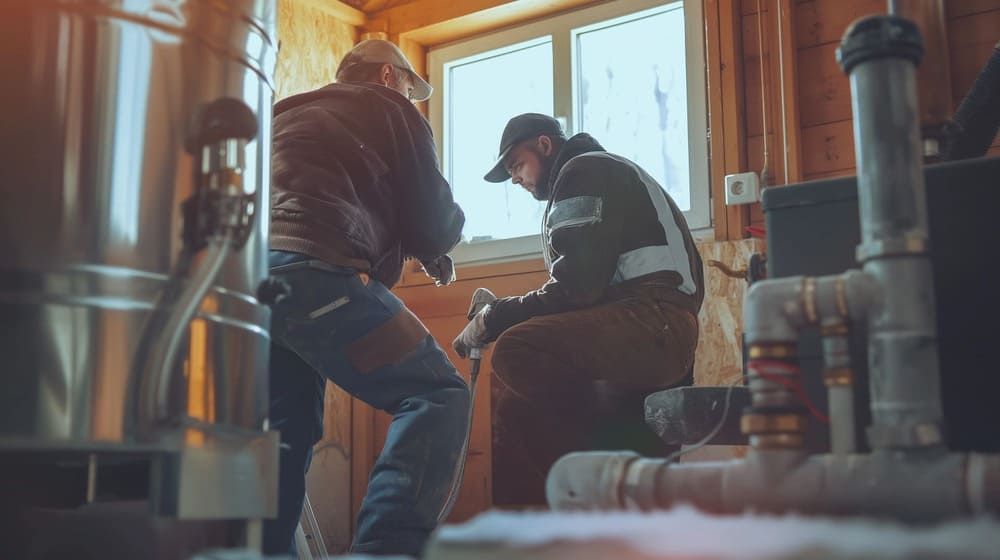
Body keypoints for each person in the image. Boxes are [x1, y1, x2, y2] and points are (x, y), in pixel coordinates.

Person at [264, 39, 469, 556]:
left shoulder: (285, 112)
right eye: (407, 83)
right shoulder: (389, 107)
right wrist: (439, 245)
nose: (410, 96)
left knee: (283, 431)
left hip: (250, 283)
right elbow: (432, 212)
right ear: (385, 76)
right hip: (319, 271)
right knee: (438, 394)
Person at [453, 113, 704, 505]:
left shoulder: (583, 171)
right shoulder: (603, 173)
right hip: (657, 329)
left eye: (517, 165)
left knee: (518, 348)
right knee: (518, 409)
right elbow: (585, 291)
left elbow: (577, 288)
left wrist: (494, 317)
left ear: (544, 145)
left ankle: (598, 485)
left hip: (652, 323)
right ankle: (610, 501)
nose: (516, 179)